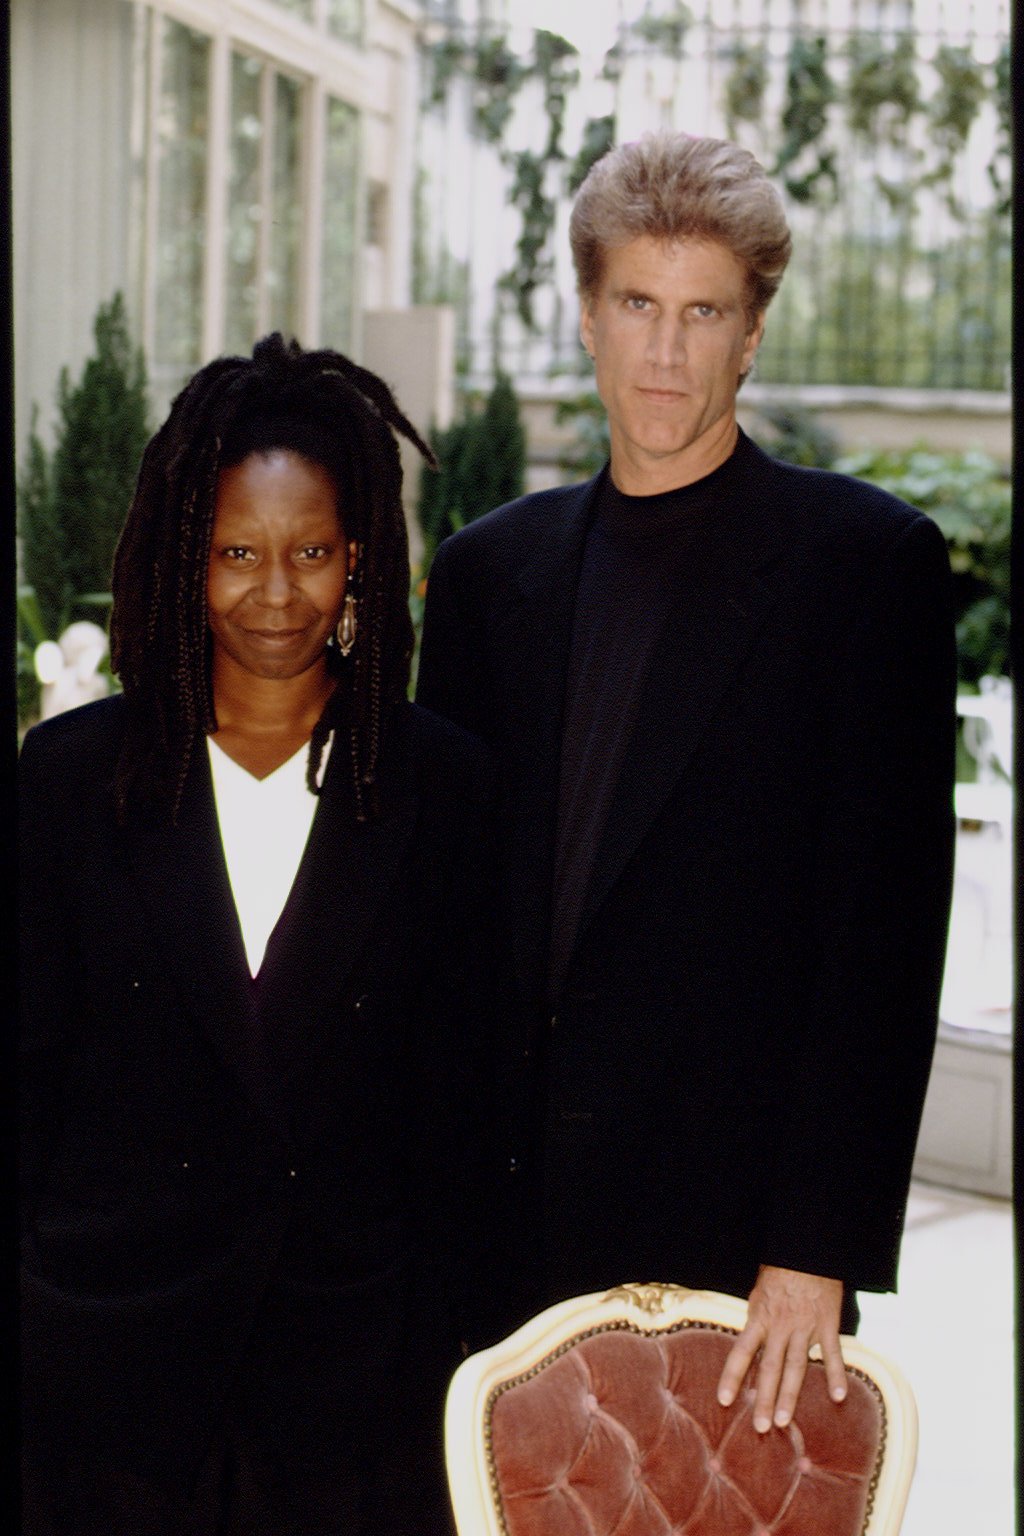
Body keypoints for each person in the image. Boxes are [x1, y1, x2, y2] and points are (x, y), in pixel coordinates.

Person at [417, 133, 956, 1436]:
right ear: (590, 319)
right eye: (639, 307)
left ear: (753, 332)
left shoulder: (863, 568)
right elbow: (438, 915)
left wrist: (814, 1243)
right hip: (496, 1222)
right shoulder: (490, 574)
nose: (667, 351)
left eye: (703, 312)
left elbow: (882, 940)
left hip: (730, 1238)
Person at [19, 334, 493, 1534]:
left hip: (355, 1406)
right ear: (184, 558)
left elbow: (463, 1116)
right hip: (107, 1392)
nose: (275, 595)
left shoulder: (445, 790)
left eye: (312, 553)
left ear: (361, 561)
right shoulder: (72, 780)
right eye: (236, 552)